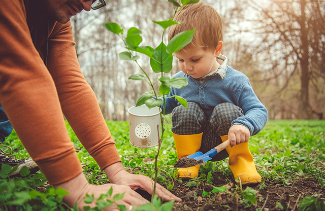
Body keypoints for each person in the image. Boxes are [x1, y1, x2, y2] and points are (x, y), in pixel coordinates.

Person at [0, 0, 181, 210]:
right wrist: (77, 188)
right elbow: (20, 73)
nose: (87, 6)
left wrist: (116, 171)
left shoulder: (55, 20)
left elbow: (70, 84)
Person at [163, 2, 268, 186]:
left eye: (195, 59)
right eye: (180, 59)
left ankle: (242, 163)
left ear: (216, 50)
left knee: (225, 110)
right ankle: (189, 163)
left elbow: (259, 110)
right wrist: (152, 105)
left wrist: (245, 125)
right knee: (184, 109)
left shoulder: (236, 81)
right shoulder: (179, 80)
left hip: (227, 144)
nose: (187, 67)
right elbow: (168, 103)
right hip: (194, 145)